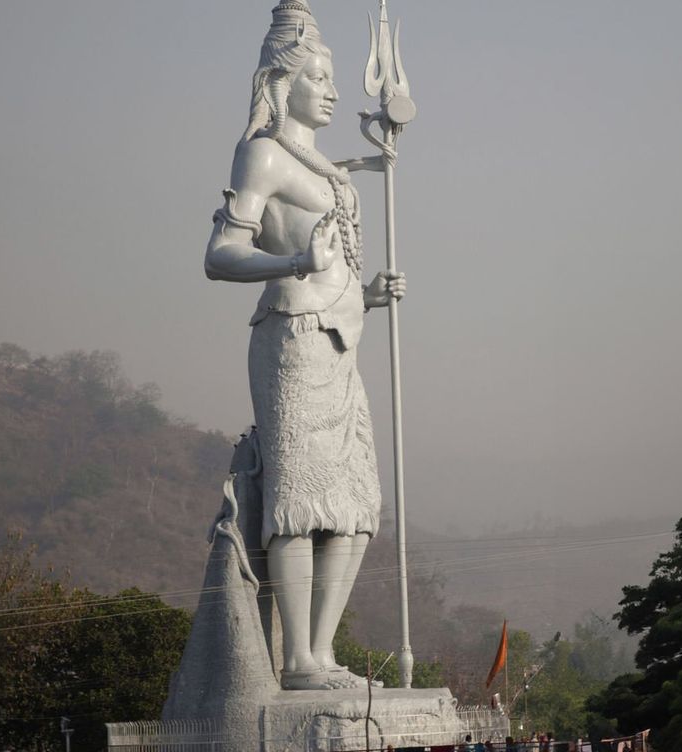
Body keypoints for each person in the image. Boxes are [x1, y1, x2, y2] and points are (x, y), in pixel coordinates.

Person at [204, 0, 406, 691]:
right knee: (299, 502)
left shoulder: (321, 165)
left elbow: (330, 255)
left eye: (330, 78)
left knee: (355, 508)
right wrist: (293, 263)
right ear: (281, 81)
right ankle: (295, 662)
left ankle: (321, 652)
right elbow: (219, 255)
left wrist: (366, 294)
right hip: (290, 342)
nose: (332, 91)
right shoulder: (261, 152)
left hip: (340, 343)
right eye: (317, 77)